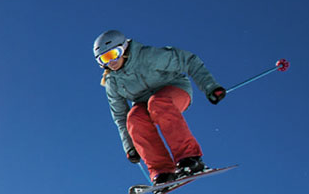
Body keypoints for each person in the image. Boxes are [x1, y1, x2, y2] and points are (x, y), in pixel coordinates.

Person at [94, 29, 227, 185]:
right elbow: (120, 116)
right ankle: (162, 172)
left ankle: (190, 159)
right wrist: (130, 146)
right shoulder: (112, 82)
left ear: (123, 48)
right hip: (146, 104)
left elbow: (188, 60)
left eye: (113, 54)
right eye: (104, 58)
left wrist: (210, 87)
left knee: (158, 103)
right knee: (135, 118)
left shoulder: (147, 56)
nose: (111, 62)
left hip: (175, 91)